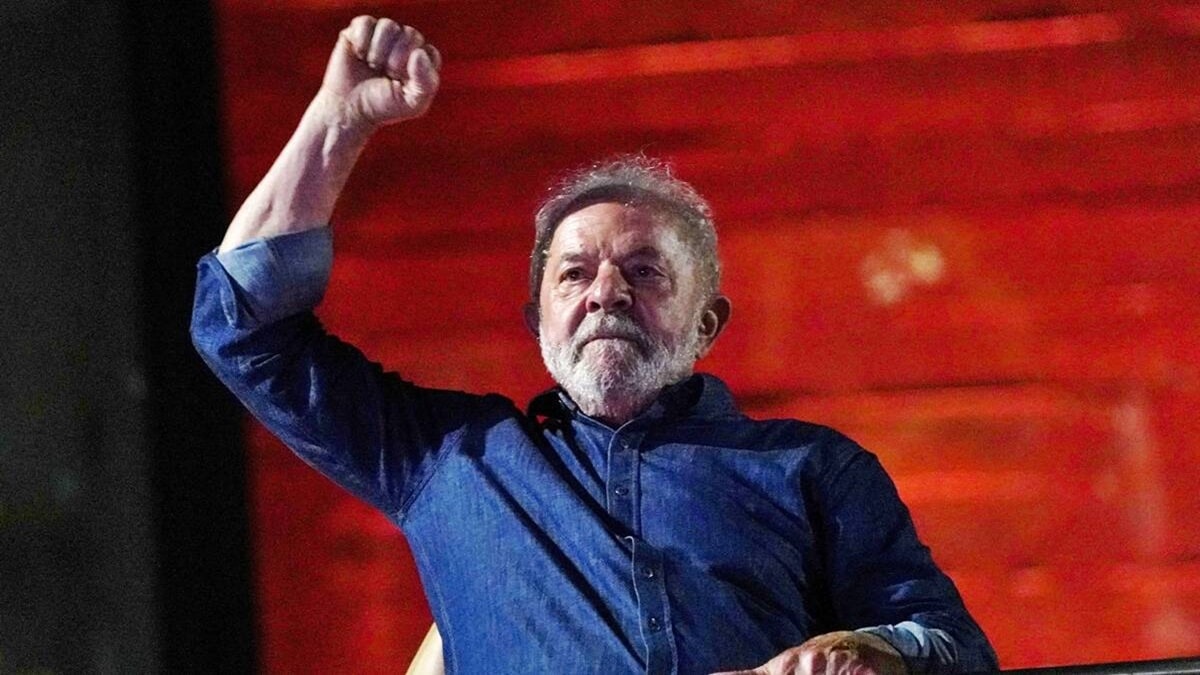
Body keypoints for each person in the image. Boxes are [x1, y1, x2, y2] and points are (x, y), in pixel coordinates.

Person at [191, 16, 999, 675]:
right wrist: (337, 125)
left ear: (707, 323)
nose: (605, 292)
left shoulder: (811, 469)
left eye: (643, 271)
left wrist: (871, 650)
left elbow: (953, 645)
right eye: (574, 273)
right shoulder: (450, 459)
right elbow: (243, 329)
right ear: (536, 320)